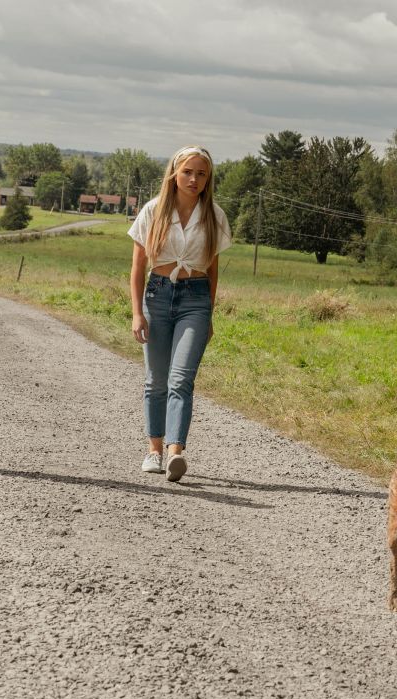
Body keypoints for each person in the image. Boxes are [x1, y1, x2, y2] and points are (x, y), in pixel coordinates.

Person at [128, 145, 232, 482]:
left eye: (201, 174)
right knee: (156, 380)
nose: (194, 179)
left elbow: (214, 270)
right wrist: (137, 313)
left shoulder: (214, 216)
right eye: (188, 172)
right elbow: (138, 266)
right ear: (175, 173)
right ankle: (154, 450)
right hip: (157, 296)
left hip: (196, 300)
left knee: (181, 378)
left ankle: (176, 453)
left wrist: (209, 315)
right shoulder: (153, 211)